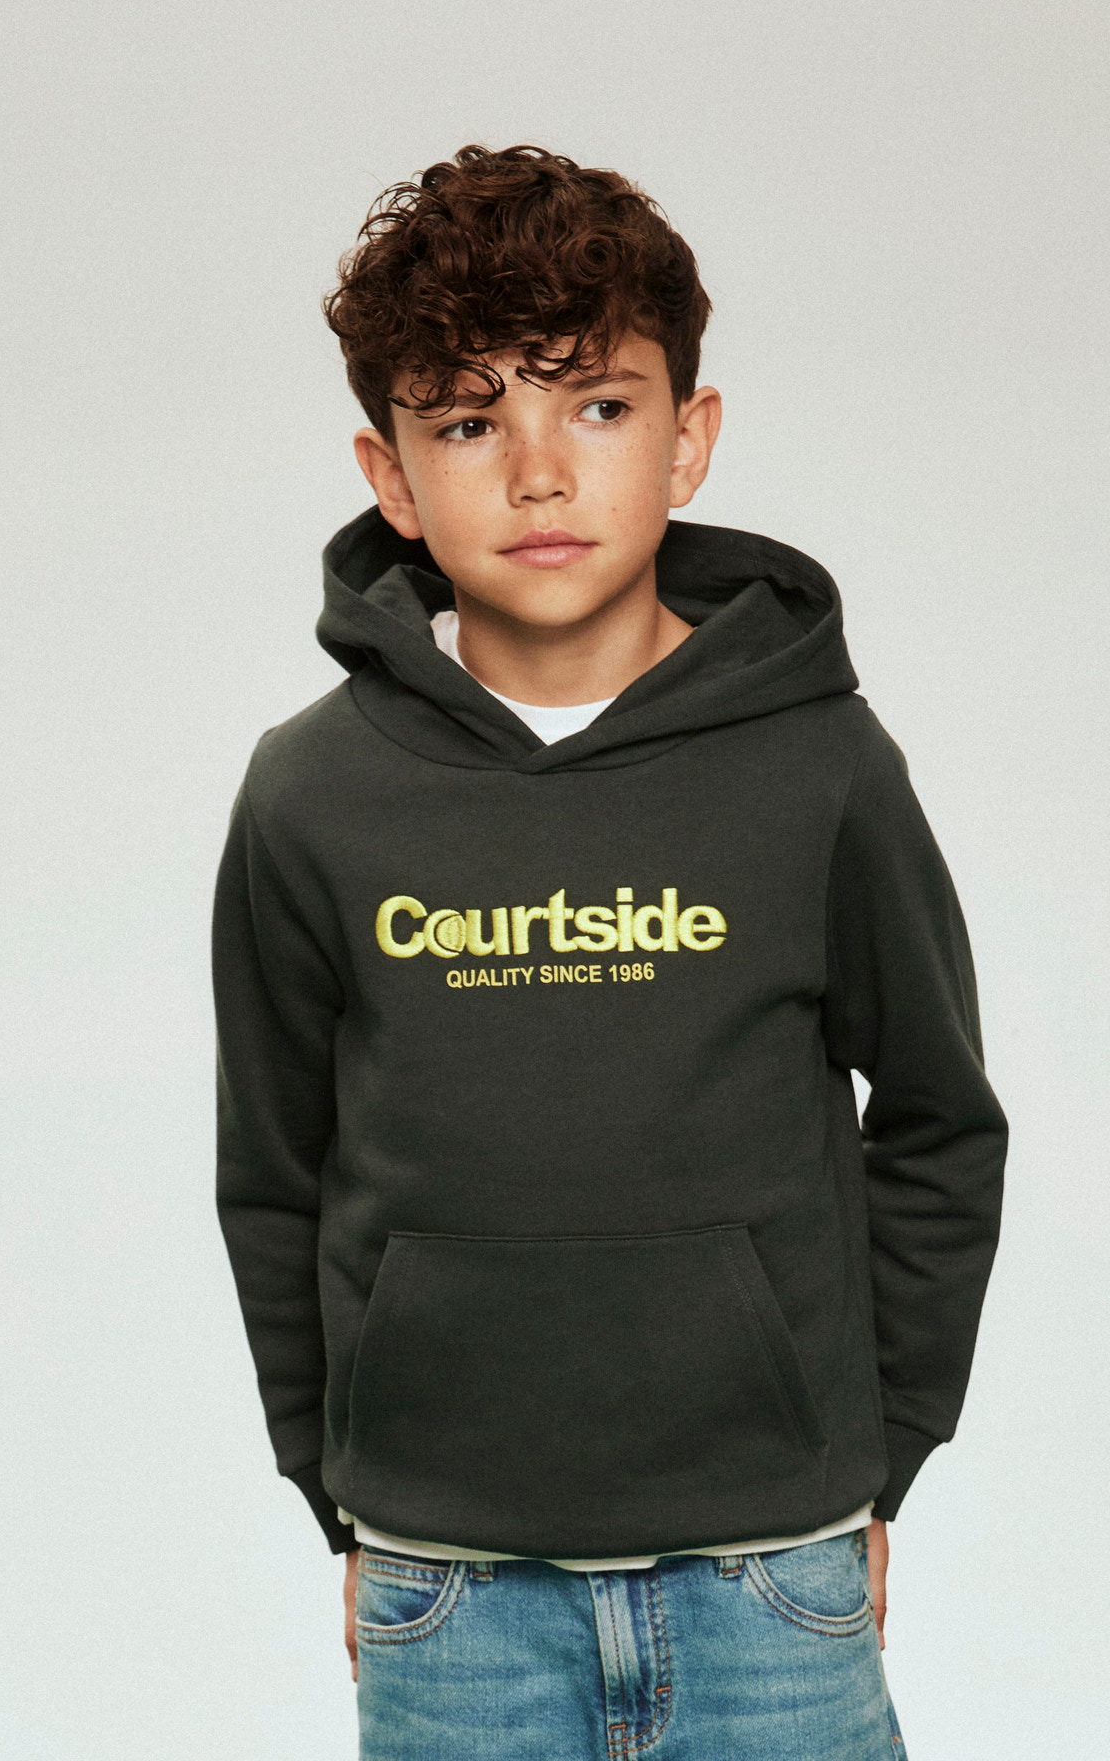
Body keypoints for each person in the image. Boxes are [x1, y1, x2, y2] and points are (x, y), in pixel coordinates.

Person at [212, 144, 1008, 1761]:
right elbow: (274, 1173)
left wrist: (882, 1453)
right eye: (465, 422)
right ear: (389, 476)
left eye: (594, 405)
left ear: (687, 437)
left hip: (770, 1577)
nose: (536, 474)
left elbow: (938, 1120)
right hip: (449, 1591)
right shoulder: (312, 794)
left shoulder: (820, 768)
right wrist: (337, 1495)